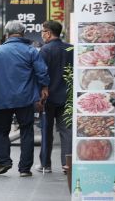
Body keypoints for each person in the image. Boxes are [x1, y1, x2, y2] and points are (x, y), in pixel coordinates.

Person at [0, 20, 49, 177]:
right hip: (25, 98)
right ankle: (24, 168)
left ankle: (4, 161)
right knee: (26, 131)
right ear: (23, 33)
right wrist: (44, 88)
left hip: (2, 99)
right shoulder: (31, 51)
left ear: (7, 33)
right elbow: (42, 72)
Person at [37, 20, 73, 174]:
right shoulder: (70, 48)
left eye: (43, 31)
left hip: (48, 97)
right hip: (67, 96)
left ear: (49, 33)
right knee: (66, 131)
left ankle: (45, 164)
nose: (42, 34)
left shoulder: (45, 50)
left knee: (46, 130)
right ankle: (67, 164)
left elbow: (40, 73)